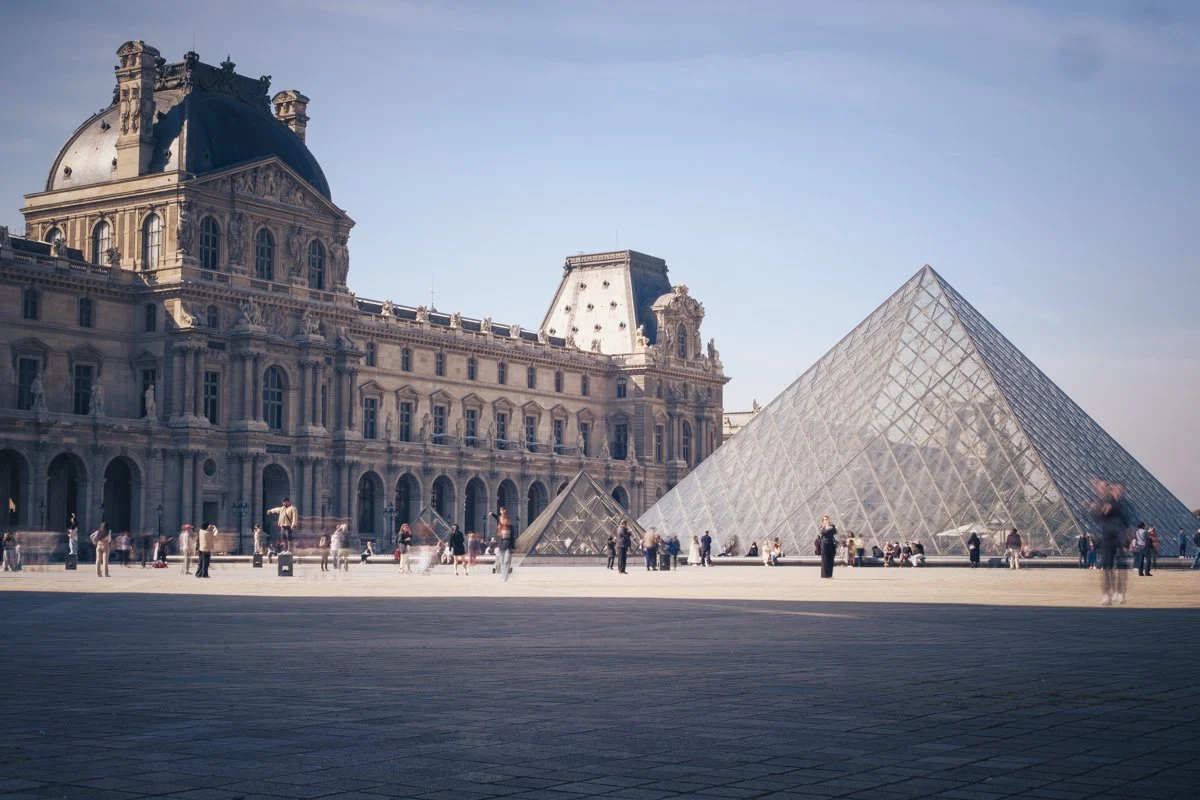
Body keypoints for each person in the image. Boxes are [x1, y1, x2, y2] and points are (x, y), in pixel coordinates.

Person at [1091, 479, 1129, 606]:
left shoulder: (1116, 502)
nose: (1102, 489)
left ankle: (1119, 592)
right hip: (1107, 538)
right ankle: (1107, 594)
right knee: (1107, 567)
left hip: (1120, 537)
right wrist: (1095, 510)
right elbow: (1097, 518)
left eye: (1105, 487)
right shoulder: (1099, 502)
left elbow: (1124, 516)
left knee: (1120, 567)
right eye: (1100, 487)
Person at [493, 507, 515, 581]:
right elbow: (499, 539)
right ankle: (503, 576)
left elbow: (513, 537)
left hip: (508, 544)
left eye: (504, 519)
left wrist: (513, 547)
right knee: (502, 561)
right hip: (502, 544)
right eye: (502, 519)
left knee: (507, 561)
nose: (503, 520)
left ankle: (505, 576)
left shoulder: (510, 527)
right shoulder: (499, 528)